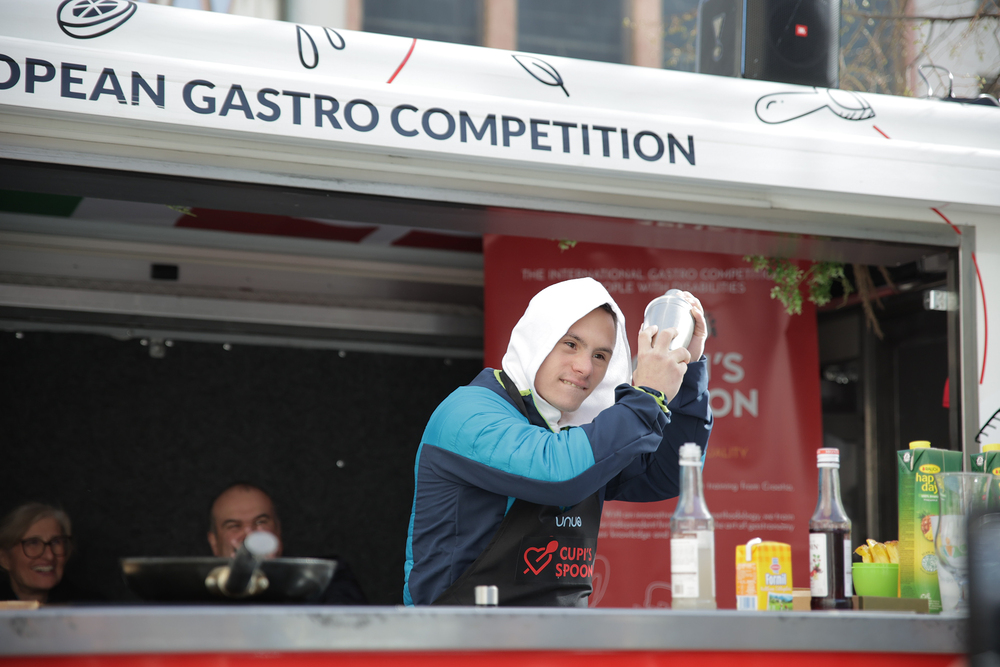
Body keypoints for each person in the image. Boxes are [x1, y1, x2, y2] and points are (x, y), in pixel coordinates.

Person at [403, 277, 713, 606]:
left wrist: (685, 371)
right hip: (457, 634)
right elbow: (557, 472)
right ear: (539, 337)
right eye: (570, 344)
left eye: (600, 355)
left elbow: (668, 473)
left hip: (559, 635)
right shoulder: (468, 413)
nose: (584, 367)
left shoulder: (581, 433)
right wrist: (647, 397)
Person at [207, 483, 368, 604]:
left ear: (278, 531)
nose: (250, 535)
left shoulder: (324, 577)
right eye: (234, 526)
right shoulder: (198, 596)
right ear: (214, 542)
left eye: (261, 522)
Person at [0, 503, 91, 603]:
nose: (49, 556)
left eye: (56, 541)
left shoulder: (91, 607)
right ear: (4, 559)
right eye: (33, 543)